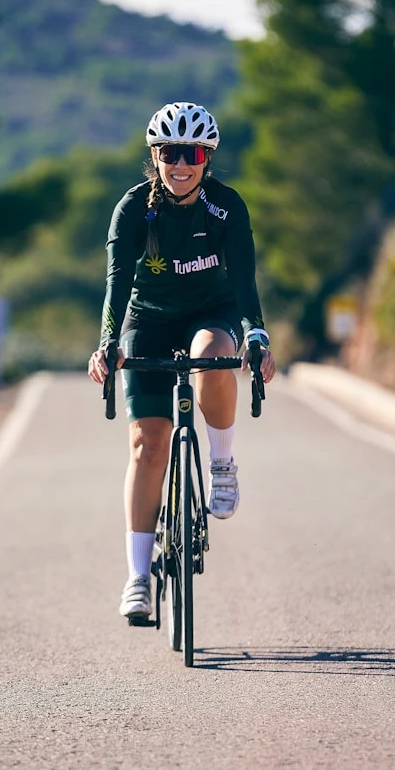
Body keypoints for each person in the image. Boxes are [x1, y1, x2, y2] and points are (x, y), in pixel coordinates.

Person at [88, 101, 276, 620]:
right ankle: (138, 576)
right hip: (147, 318)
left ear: (207, 159)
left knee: (211, 355)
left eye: (192, 153)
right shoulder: (133, 210)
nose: (181, 164)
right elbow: (116, 285)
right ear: (156, 155)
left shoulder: (226, 208)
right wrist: (108, 342)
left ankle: (221, 462)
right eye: (170, 152)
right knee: (150, 446)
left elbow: (243, 282)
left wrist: (256, 337)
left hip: (210, 313)